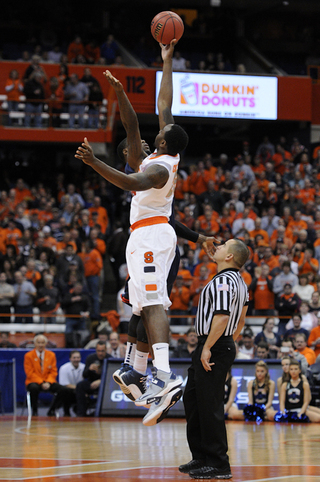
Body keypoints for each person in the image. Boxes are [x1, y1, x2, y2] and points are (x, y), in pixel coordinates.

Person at [75, 40, 189, 426]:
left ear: (162, 142)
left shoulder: (157, 169)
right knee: (140, 310)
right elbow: (151, 112)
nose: (158, 127)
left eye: (160, 132)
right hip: (145, 236)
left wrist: (94, 163)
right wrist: (164, 62)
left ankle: (164, 374)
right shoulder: (160, 151)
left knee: (153, 305)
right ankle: (139, 375)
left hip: (153, 236)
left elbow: (127, 181)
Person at [179, 238, 249, 480]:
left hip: (212, 345)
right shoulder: (240, 282)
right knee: (194, 399)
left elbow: (222, 317)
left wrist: (211, 346)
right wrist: (228, 342)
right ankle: (201, 457)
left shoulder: (222, 282)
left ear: (230, 257)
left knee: (209, 404)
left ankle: (219, 463)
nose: (217, 247)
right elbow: (240, 321)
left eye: (223, 246)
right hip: (219, 344)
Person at [23, 334, 63, 416]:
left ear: (46, 344)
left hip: (48, 381)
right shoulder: (28, 356)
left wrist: (48, 382)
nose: (40, 345)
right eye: (38, 342)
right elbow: (30, 372)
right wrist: (41, 382)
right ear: (35, 344)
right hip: (33, 381)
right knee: (34, 388)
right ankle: (34, 411)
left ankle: (52, 410)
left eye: (42, 343)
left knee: (62, 390)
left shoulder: (51, 355)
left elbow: (53, 371)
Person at [75, 341, 111, 416]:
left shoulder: (110, 358)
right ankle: (81, 413)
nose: (100, 353)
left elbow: (112, 377)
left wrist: (101, 381)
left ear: (106, 350)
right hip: (92, 383)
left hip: (105, 385)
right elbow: (84, 375)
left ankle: (106, 412)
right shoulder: (90, 358)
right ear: (96, 350)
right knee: (80, 386)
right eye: (98, 351)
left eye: (102, 351)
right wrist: (89, 369)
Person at [50, 350, 85, 416]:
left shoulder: (84, 367)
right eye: (74, 358)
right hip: (69, 392)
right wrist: (79, 388)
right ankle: (65, 412)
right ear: (70, 359)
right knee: (65, 391)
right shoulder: (64, 368)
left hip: (79, 392)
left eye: (78, 357)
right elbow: (64, 384)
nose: (76, 359)